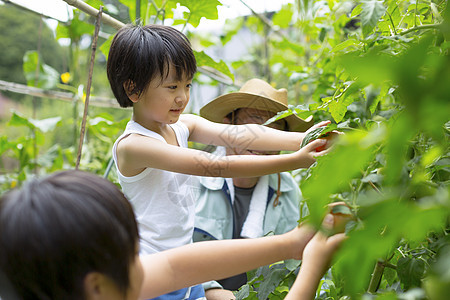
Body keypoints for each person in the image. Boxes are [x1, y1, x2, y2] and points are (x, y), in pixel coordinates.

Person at [107, 24, 330, 299]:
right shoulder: (133, 146)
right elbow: (214, 165)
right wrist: (294, 160)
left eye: (187, 85)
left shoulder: (182, 126)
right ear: (133, 89)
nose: (183, 96)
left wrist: (304, 139)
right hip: (151, 275)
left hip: (187, 272)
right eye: (172, 86)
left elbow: (240, 133)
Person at [0, 170, 346, 300]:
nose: (145, 260)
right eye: (134, 255)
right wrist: (311, 270)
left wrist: (291, 244)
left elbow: (172, 268)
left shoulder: (80, 285)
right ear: (96, 286)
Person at [193, 78, 313, 299]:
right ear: (228, 125)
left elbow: (293, 268)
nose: (262, 140)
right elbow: (176, 259)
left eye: (274, 131)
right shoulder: (194, 179)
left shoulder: (286, 190)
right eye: (254, 127)